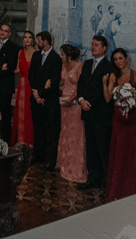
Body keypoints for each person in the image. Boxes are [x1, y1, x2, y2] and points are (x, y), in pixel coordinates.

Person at [103, 48, 136, 201]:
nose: (118, 62)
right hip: (119, 122)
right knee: (119, 155)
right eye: (115, 59)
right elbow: (108, 99)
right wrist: (105, 84)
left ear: (127, 59)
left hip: (133, 121)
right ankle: (116, 190)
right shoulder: (113, 76)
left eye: (120, 58)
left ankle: (132, 189)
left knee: (132, 155)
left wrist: (130, 98)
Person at [76, 35, 115, 191]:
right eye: (92, 44)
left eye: (96, 45)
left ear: (104, 48)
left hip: (101, 114)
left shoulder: (109, 66)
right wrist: (80, 100)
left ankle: (106, 182)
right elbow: (81, 85)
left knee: (102, 148)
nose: (93, 47)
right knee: (90, 147)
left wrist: (89, 103)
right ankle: (93, 179)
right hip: (86, 111)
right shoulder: (86, 64)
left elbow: (104, 92)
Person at [28, 31, 62, 170]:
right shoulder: (36, 55)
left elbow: (54, 81)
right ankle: (37, 155)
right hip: (36, 99)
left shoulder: (56, 59)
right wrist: (36, 94)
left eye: (39, 40)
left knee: (50, 131)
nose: (37, 42)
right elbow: (31, 75)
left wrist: (41, 93)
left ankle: (50, 160)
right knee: (38, 129)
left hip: (49, 101)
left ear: (46, 42)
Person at [57, 44, 87, 184]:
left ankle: (75, 168)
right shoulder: (64, 66)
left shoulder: (79, 66)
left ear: (69, 56)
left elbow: (81, 85)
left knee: (76, 134)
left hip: (74, 104)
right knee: (66, 132)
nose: (61, 56)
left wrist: (72, 98)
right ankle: (65, 164)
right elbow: (63, 82)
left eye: (62, 54)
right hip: (64, 103)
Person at [12, 30, 36, 148]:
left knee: (30, 115)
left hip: (32, 86)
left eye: (29, 37)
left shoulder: (36, 53)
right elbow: (16, 69)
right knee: (21, 114)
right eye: (25, 37)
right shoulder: (20, 52)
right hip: (22, 86)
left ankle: (30, 144)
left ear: (33, 40)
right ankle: (20, 143)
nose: (27, 39)